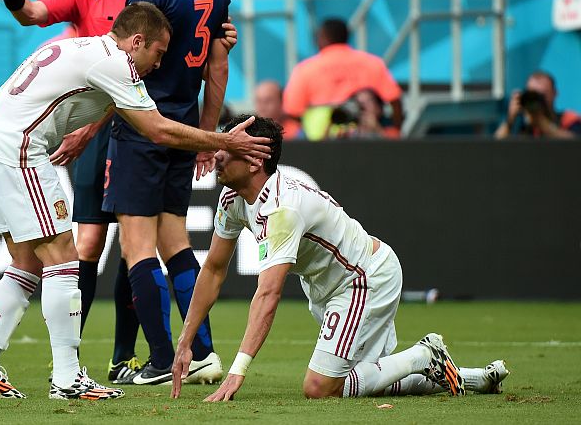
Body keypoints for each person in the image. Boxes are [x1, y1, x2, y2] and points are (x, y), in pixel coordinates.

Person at [0, 1, 271, 400]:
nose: (159, 64)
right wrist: (224, 140)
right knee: (64, 256)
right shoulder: (116, 64)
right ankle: (67, 377)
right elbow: (158, 130)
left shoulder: (83, 48)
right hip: (17, 150)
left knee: (26, 261)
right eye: (157, 53)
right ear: (136, 42)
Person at [170, 115, 510, 401]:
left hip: (363, 279)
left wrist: (237, 371)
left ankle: (423, 354)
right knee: (363, 379)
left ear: (255, 160)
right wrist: (186, 341)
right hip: (329, 288)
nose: (217, 154)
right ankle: (470, 378)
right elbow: (213, 270)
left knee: (320, 388)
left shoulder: (282, 209)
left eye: (228, 148)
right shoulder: (232, 199)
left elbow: (268, 294)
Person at [0, 0, 155, 385]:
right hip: (95, 134)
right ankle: (69, 362)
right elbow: (32, 14)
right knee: (90, 242)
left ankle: (121, 359)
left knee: (136, 243)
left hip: (135, 126)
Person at [102, 0, 231, 385]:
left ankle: (160, 361)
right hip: (184, 125)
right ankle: (202, 353)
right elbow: (218, 66)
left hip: (143, 126)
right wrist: (206, 135)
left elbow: (123, 61)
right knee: (175, 240)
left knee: (137, 247)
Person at [283, 18, 403, 139]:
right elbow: (395, 101)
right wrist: (394, 131)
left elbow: (292, 110)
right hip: (365, 135)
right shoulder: (372, 63)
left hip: (320, 138)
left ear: (323, 37)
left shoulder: (305, 68)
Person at [494, 71, 581, 139]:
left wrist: (543, 124)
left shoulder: (568, 119)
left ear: (554, 94)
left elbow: (575, 144)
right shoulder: (520, 124)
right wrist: (510, 120)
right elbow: (494, 147)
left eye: (542, 95)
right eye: (532, 95)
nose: (537, 100)